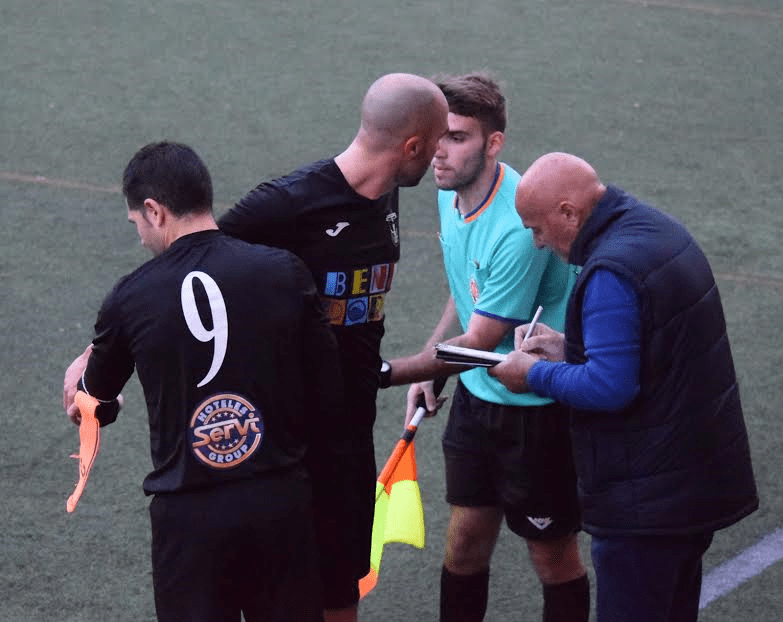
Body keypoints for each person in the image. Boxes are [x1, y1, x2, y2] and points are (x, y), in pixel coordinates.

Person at [62, 141, 345, 622]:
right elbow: (328, 394)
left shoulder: (131, 297)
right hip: (280, 504)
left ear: (154, 210)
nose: (140, 238)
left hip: (190, 519)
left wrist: (79, 383)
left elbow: (94, 405)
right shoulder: (284, 271)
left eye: (137, 223)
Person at [218, 73, 450, 622]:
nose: (443, 151)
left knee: (341, 593)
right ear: (412, 147)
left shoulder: (388, 194)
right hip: (285, 449)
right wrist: (98, 355)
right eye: (439, 139)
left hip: (350, 442)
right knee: (276, 598)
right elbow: (187, 273)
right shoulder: (286, 204)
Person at [489, 152, 759, 622]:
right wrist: (569, 346)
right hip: (690, 484)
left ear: (569, 213)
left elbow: (610, 386)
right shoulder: (654, 228)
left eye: (536, 228)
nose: (536, 243)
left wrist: (530, 373)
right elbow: (651, 346)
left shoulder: (611, 270)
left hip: (648, 505)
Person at [381, 74, 589, 622]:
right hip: (479, 397)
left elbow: (480, 339)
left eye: (456, 137)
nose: (437, 154)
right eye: (435, 137)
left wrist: (382, 372)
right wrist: (434, 365)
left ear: (493, 144)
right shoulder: (451, 193)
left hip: (536, 411)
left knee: (553, 559)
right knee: (464, 545)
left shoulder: (517, 229)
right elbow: (467, 290)